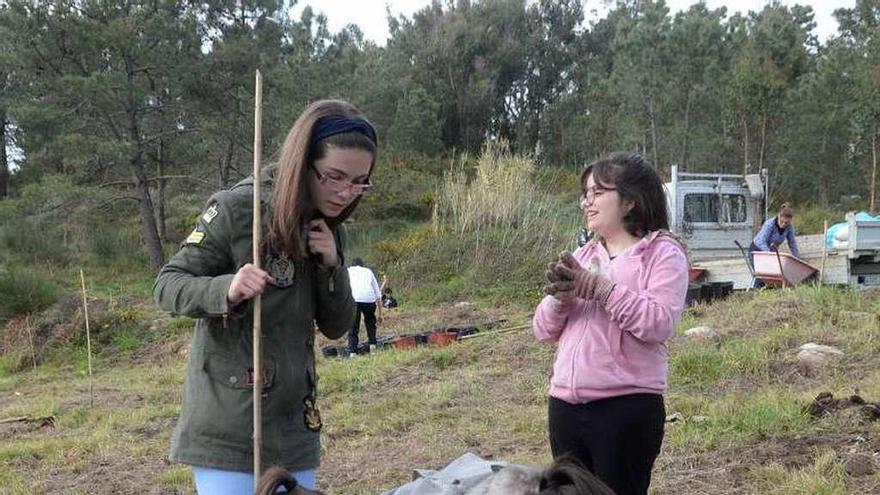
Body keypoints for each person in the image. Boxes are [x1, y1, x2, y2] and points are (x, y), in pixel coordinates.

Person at [153, 99, 378, 494]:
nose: (346, 193)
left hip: (295, 429)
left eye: (360, 181)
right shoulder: (237, 209)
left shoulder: (326, 227)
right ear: (303, 162)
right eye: (334, 176)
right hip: (231, 428)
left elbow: (337, 325)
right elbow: (168, 284)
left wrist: (331, 266)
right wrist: (226, 288)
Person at [533, 152, 689, 495]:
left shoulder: (663, 253)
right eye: (585, 195)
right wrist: (561, 300)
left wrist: (601, 289)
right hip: (565, 406)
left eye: (597, 193)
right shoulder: (585, 255)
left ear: (630, 201)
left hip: (625, 409)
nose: (587, 203)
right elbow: (542, 329)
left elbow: (658, 323)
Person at [749, 203, 801, 287]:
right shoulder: (769, 224)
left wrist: (798, 258)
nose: (784, 224)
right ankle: (757, 292)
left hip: (771, 252)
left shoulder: (789, 228)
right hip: (757, 250)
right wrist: (770, 255)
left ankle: (768, 292)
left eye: (786, 222)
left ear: (790, 220)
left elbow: (792, 243)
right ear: (779, 216)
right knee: (762, 273)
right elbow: (761, 241)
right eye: (782, 221)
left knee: (772, 274)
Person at [347, 258, 382, 357]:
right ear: (363, 265)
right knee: (370, 323)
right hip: (369, 299)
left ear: (352, 265)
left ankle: (353, 352)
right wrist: (380, 314)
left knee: (353, 326)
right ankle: (373, 347)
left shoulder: (348, 271)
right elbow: (378, 295)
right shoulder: (368, 271)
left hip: (353, 299)